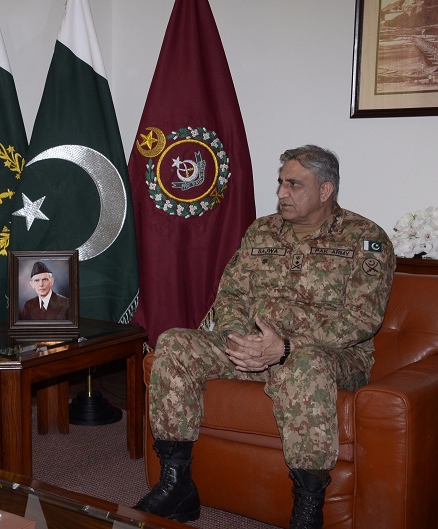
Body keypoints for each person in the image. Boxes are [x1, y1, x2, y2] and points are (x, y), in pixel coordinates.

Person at [133, 145, 395, 529]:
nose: (281, 193)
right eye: (280, 183)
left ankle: (308, 508)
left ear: (325, 190)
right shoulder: (262, 230)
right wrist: (240, 340)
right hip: (254, 347)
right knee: (174, 342)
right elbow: (232, 294)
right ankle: (176, 485)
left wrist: (285, 347)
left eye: (293, 184)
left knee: (304, 363)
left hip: (332, 358)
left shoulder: (365, 239)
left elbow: (361, 320)